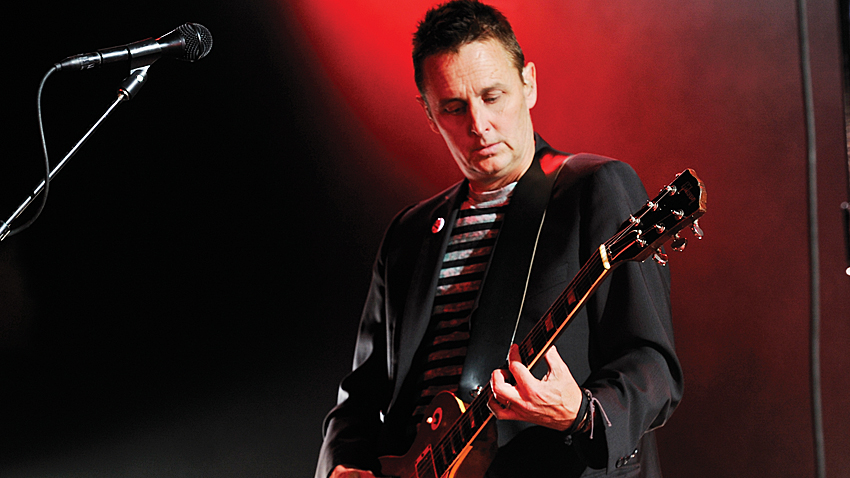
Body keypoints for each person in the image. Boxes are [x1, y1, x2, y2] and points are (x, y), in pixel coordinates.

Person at [315, 1, 683, 477]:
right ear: (429, 114)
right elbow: (360, 398)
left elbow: (652, 362)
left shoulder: (592, 188)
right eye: (453, 107)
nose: (478, 125)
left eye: (493, 96)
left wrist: (582, 413)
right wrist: (341, 466)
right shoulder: (408, 235)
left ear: (528, 83)